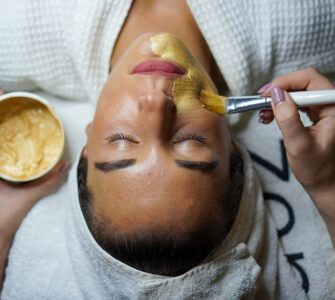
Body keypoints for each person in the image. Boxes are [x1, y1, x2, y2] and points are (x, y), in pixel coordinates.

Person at [0, 1, 335, 299]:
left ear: (88, 142)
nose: (157, 105)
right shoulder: (312, 22)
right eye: (190, 141)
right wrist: (326, 183)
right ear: (233, 145)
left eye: (122, 140)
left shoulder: (13, 34)